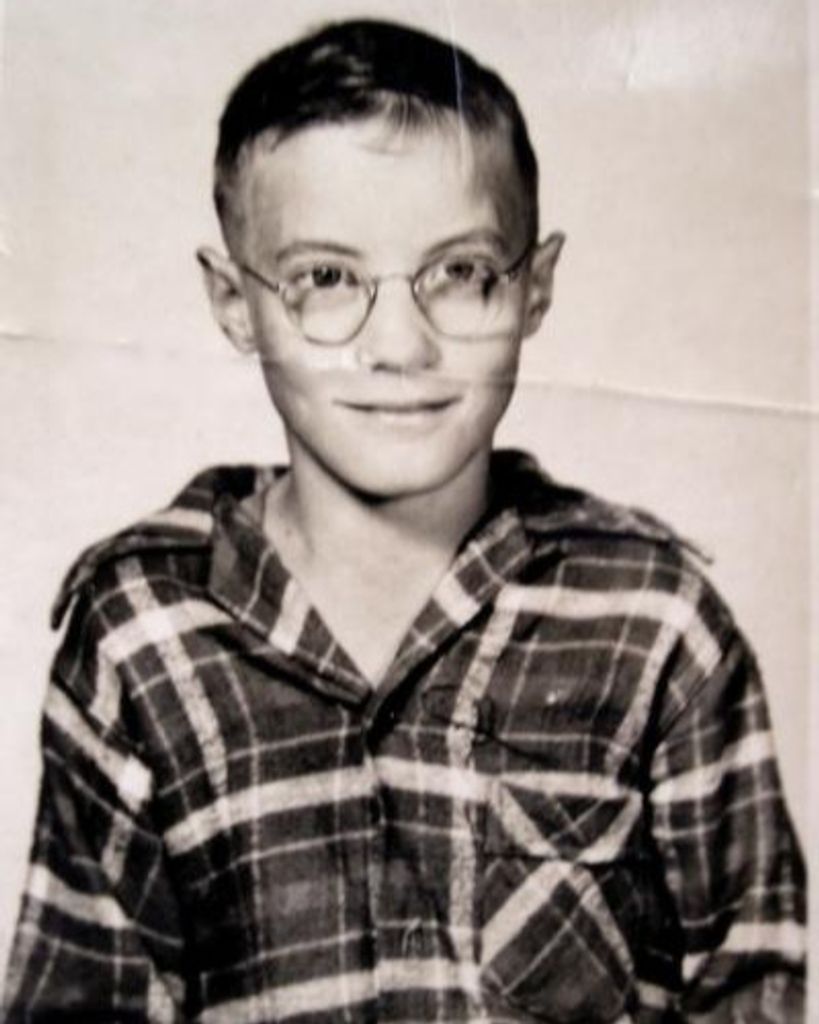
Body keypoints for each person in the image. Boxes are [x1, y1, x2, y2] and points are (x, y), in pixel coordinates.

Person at [3, 18, 805, 1023]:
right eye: (325, 278)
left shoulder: (656, 624)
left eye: (460, 272)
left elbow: (759, 984)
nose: (399, 345)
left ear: (535, 286)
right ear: (234, 301)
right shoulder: (141, 637)